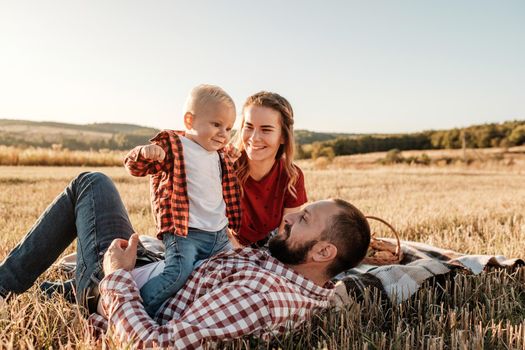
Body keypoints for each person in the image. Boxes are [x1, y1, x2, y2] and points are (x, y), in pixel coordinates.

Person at [0, 172, 370, 348]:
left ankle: (5, 286)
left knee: (92, 184)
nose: (289, 216)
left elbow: (153, 345)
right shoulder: (310, 279)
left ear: (323, 252)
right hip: (155, 267)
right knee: (51, 292)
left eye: (304, 219)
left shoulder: (261, 296)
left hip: (123, 285)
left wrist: (115, 276)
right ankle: (51, 291)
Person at [123, 84, 241, 317]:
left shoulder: (218, 153)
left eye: (228, 128)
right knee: (177, 274)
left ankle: (192, 314)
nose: (223, 134)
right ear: (190, 121)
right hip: (185, 234)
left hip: (218, 235)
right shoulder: (174, 146)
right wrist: (145, 153)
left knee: (233, 270)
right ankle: (134, 314)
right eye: (216, 125)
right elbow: (134, 167)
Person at [231, 91, 308, 247]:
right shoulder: (225, 167)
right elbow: (213, 227)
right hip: (224, 247)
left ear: (283, 136)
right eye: (249, 127)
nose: (254, 138)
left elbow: (283, 236)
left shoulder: (292, 176)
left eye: (266, 130)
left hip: (267, 250)